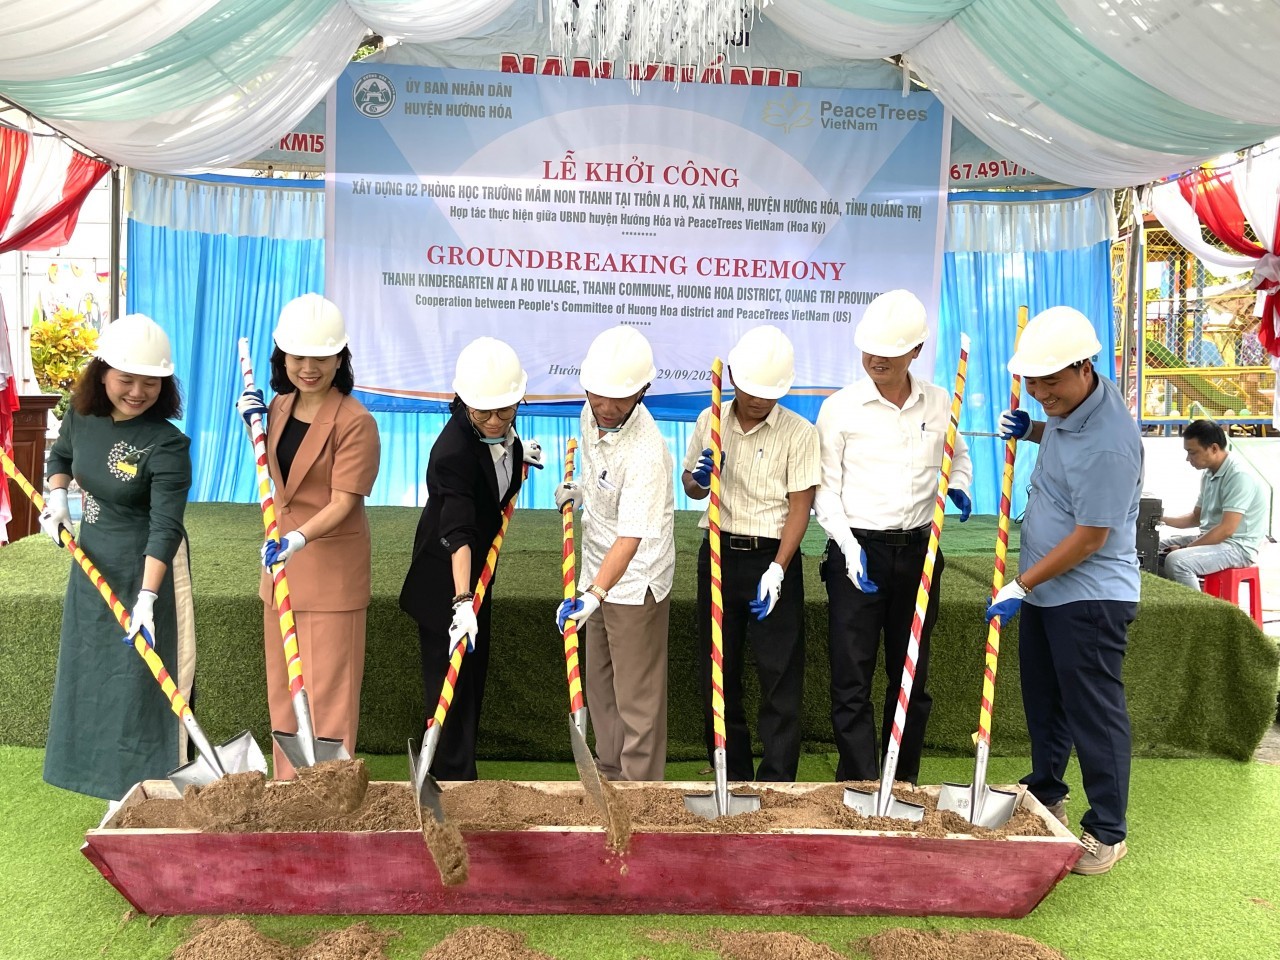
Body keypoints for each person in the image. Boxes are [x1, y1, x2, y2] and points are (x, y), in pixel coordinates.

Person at [987, 305, 1143, 876]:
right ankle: (1046, 790)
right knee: (1045, 700)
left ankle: (1107, 831)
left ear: (1084, 367)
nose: (1039, 392)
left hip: (1089, 596)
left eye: (1050, 381)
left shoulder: (1109, 441)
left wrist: (1021, 583)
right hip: (1050, 593)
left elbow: (1089, 538)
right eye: (1032, 380)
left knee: (1093, 711)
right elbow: (1060, 438)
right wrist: (1032, 429)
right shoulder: (1074, 409)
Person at [813, 290, 972, 788]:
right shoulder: (839, 409)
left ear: (916, 351)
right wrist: (848, 544)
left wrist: (961, 486)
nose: (876, 360)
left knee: (911, 678)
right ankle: (858, 785)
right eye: (869, 350)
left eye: (889, 351)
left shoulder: (941, 401)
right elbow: (824, 491)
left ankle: (901, 783)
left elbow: (959, 459)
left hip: (921, 552)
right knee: (851, 678)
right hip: (856, 551)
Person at [39, 314, 194, 803]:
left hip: (150, 566)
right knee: (94, 671)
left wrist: (148, 597)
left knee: (142, 678)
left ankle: (144, 791)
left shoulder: (167, 445)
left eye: (151, 382)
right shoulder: (82, 418)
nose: (137, 391)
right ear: (101, 373)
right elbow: (60, 456)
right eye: (126, 379)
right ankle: (103, 783)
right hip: (92, 562)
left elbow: (165, 527)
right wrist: (58, 498)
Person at [236, 294, 380, 779]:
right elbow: (280, 478)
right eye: (298, 356)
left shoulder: (356, 421)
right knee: (283, 689)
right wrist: (251, 424)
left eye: (321, 357)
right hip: (280, 571)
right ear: (282, 358)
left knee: (328, 697)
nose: (309, 367)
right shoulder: (276, 407)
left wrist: (296, 539)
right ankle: (288, 787)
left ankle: (330, 794)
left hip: (329, 571)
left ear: (340, 358)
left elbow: (343, 503)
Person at [680, 325, 819, 782]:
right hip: (719, 554)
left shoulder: (800, 432)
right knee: (719, 673)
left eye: (770, 393)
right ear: (733, 376)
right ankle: (730, 775)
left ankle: (778, 780)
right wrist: (701, 477)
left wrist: (779, 568)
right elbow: (692, 489)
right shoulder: (711, 420)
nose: (759, 400)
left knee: (779, 673)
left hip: (772, 559)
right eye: (751, 390)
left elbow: (800, 506)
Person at [400, 337, 542, 780]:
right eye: (484, 412)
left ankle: (463, 774)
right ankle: (448, 782)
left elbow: (498, 462)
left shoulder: (501, 427)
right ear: (462, 402)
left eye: (506, 410)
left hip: (478, 577)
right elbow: (459, 532)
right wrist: (462, 603)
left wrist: (519, 461)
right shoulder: (451, 453)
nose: (497, 421)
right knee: (449, 690)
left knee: (471, 682)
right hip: (447, 583)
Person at [555, 325, 675, 782]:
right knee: (601, 684)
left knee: (635, 695)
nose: (605, 409)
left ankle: (641, 789)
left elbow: (631, 538)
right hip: (595, 571)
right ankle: (607, 772)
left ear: (643, 392)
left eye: (619, 401)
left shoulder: (647, 452)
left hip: (633, 578)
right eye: (597, 396)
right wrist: (580, 490)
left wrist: (595, 594)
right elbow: (599, 470)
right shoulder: (592, 412)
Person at [1158, 419, 1267, 588]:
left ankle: (1201, 612)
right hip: (1215, 539)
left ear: (1214, 448)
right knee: (1153, 547)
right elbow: (1196, 517)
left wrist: (1185, 547)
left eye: (1192, 452)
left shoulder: (1239, 476)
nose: (1188, 459)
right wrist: (1160, 518)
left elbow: (1226, 529)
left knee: (1177, 561)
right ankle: (1178, 598)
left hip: (1238, 547)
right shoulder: (1209, 473)